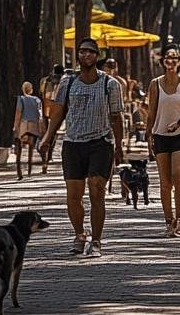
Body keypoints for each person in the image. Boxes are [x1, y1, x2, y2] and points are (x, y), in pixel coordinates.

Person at [39, 38, 123, 258]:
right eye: (82, 52)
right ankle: (79, 234)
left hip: (100, 142)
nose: (86, 55)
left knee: (96, 189)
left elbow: (116, 117)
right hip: (73, 142)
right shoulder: (67, 82)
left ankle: (96, 240)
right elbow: (58, 112)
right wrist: (47, 138)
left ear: (97, 56)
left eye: (90, 52)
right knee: (73, 195)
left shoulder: (110, 84)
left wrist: (119, 147)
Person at [147, 43, 180, 237]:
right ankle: (168, 220)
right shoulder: (155, 84)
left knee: (179, 176)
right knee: (165, 182)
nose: (170, 61)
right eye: (167, 58)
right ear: (163, 61)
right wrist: (148, 134)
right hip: (161, 135)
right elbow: (151, 111)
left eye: (174, 58)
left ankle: (179, 219)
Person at [13, 81, 45, 179]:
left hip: (23, 124)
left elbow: (18, 113)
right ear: (31, 90)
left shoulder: (21, 99)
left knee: (18, 147)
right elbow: (40, 114)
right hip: (34, 125)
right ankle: (30, 171)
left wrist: (16, 126)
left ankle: (19, 172)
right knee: (32, 147)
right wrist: (41, 127)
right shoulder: (37, 100)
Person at [38, 62, 65, 167]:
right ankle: (48, 154)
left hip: (46, 107)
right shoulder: (63, 81)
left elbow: (41, 93)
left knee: (48, 132)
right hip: (56, 108)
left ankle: (46, 154)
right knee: (52, 132)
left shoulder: (45, 81)